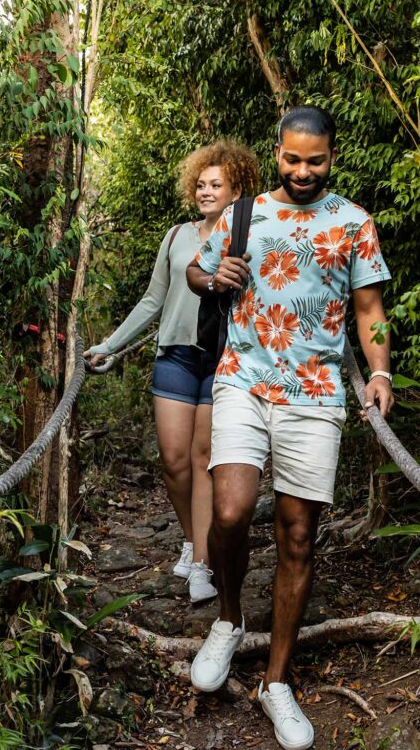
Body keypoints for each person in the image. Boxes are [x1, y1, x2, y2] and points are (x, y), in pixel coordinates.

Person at [185, 107, 394, 750]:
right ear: (276, 152)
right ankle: (227, 620)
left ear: (332, 156)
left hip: (318, 394)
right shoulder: (244, 213)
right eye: (292, 159)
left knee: (299, 535)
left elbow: (369, 309)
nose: (303, 172)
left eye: (316, 161)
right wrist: (211, 275)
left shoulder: (354, 224)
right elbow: (198, 270)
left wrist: (380, 372)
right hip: (243, 380)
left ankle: (276, 682)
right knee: (230, 511)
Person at [85, 141, 261, 603]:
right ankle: (190, 538)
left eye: (216, 185)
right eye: (201, 184)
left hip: (224, 358)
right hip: (176, 356)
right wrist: (110, 345)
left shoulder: (252, 235)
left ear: (236, 188)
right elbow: (152, 300)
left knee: (204, 458)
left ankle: (202, 563)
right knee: (174, 461)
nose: (206, 192)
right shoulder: (176, 236)